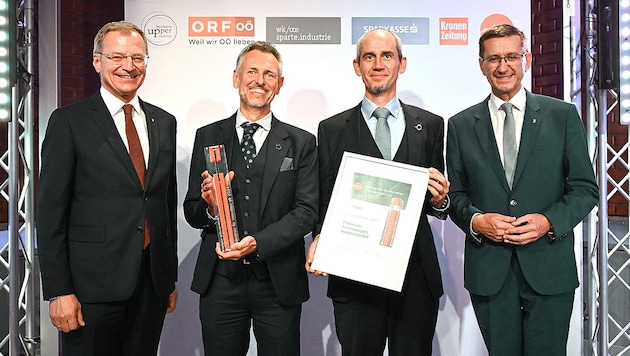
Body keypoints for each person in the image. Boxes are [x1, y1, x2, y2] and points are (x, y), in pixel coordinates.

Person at [446, 24, 598, 355]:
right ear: (481, 64)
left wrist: (549, 221)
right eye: (494, 58)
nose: (503, 67)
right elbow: (455, 197)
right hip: (490, 271)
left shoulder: (562, 115)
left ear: (525, 59)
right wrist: (477, 221)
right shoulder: (459, 125)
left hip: (549, 266)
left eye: (512, 56)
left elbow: (586, 188)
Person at [36, 21, 178, 356]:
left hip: (151, 285)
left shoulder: (164, 122)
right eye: (118, 57)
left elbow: (164, 204)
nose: (129, 66)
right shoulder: (69, 121)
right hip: (90, 289)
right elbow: (51, 211)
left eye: (138, 58)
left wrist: (167, 278)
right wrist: (59, 291)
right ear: (97, 61)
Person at [305, 28, 450, 356]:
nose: (378, 63)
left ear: (402, 63)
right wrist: (320, 239)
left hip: (415, 275)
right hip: (353, 275)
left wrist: (441, 200)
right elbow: (324, 197)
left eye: (387, 55)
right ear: (357, 66)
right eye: (369, 56)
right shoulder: (331, 129)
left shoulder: (429, 124)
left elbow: (435, 203)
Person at [183, 41, 318, 355]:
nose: (260, 80)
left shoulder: (301, 142)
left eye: (269, 75)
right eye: (252, 72)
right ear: (236, 78)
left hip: (278, 282)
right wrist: (211, 210)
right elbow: (192, 211)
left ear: (279, 85)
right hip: (220, 281)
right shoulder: (208, 136)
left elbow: (307, 211)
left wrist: (259, 242)